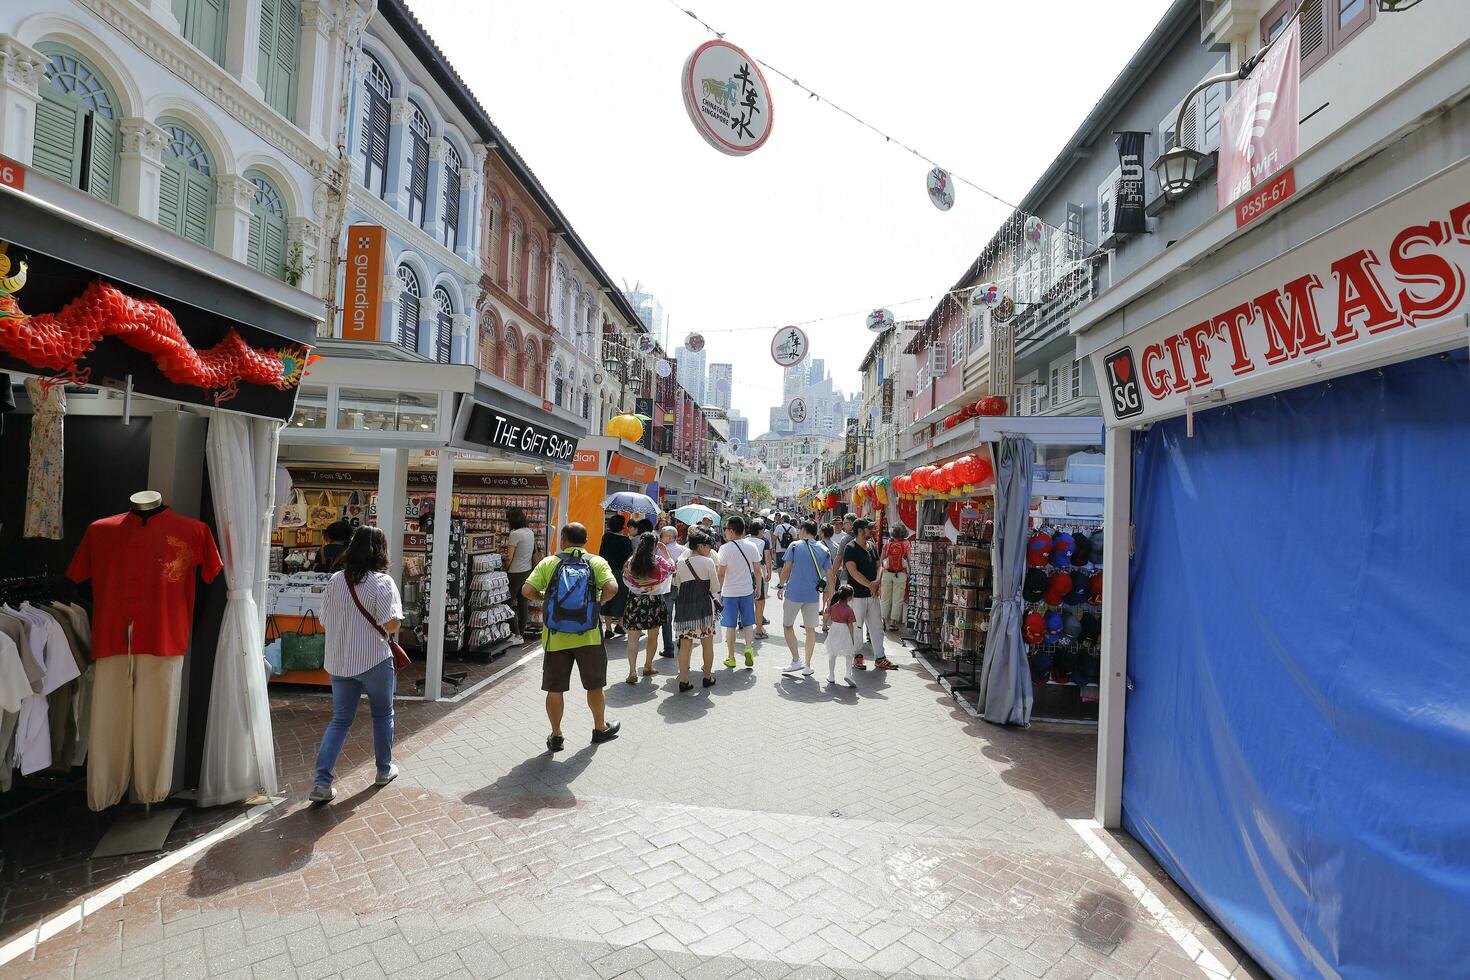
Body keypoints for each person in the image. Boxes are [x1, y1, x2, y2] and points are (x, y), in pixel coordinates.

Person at [310, 526, 403, 803]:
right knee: (383, 715)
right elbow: (391, 623)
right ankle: (383, 770)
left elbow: (324, 621)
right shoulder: (382, 582)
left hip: (339, 661)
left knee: (339, 720)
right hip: (374, 658)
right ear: (381, 551)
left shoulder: (336, 580)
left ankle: (322, 782)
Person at [522, 523, 621, 751]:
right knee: (594, 686)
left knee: (554, 688)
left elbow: (526, 591)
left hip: (555, 636)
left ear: (564, 539)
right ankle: (600, 728)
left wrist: (544, 598)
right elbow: (613, 587)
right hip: (589, 636)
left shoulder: (549, 562)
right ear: (585, 540)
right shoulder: (596, 562)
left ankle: (556, 735)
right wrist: (598, 603)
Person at [776, 520, 830, 676]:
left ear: (804, 529)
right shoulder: (823, 548)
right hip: (813, 595)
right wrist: (831, 595)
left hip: (794, 593)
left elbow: (786, 568)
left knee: (787, 626)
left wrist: (780, 585)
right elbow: (830, 574)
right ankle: (807, 665)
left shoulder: (794, 546)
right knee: (810, 629)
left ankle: (795, 659)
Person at [620, 531, 674, 684]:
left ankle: (632, 671)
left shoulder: (631, 561)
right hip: (654, 600)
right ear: (656, 545)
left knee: (633, 637)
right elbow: (672, 569)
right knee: (653, 635)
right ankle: (648, 666)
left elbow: (625, 575)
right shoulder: (658, 560)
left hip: (635, 600)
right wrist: (666, 553)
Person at [672, 529, 722, 692]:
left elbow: (677, 584)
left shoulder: (681, 562)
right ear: (701, 546)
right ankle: (707, 677)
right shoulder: (707, 562)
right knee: (707, 644)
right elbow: (715, 587)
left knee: (685, 646)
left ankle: (684, 680)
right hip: (703, 610)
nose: (710, 549)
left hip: (684, 609)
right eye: (708, 545)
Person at [843, 518, 894, 671]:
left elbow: (879, 566)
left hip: (872, 595)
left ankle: (880, 657)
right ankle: (857, 657)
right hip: (857, 595)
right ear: (860, 530)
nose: (871, 531)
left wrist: (877, 582)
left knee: (877, 627)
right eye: (868, 528)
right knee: (857, 627)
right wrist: (870, 585)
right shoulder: (850, 548)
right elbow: (853, 571)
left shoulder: (871, 545)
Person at [715, 514, 762, 669]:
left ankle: (731, 657)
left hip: (729, 592)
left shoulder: (725, 548)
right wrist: (759, 588)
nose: (725, 532)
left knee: (731, 626)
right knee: (748, 623)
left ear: (732, 530)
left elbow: (721, 573)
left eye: (726, 529)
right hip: (747, 591)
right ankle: (748, 647)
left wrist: (718, 592)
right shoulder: (752, 546)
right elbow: (757, 570)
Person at [503, 507, 539, 641]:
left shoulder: (514, 534)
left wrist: (505, 567)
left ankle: (516, 633)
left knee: (508, 602)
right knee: (523, 603)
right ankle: (521, 633)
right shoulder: (530, 532)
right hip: (527, 571)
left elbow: (509, 557)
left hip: (515, 573)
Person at [599, 514, 634, 639]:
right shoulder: (626, 541)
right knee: (622, 598)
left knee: (607, 598)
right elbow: (630, 558)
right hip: (621, 573)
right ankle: (620, 624)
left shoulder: (606, 538)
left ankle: (608, 629)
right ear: (622, 526)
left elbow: (601, 554)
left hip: (607, 572)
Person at [656, 527, 686, 657]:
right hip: (681, 586)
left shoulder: (660, 550)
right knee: (681, 616)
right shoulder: (684, 550)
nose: (660, 537)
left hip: (666, 587)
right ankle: (681, 641)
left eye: (662, 535)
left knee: (666, 618)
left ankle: (669, 648)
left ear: (668, 537)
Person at [824, 516, 855, 631]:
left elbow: (839, 557)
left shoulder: (845, 537)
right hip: (834, 570)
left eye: (840, 523)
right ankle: (831, 614)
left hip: (842, 570)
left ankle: (842, 619)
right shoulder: (832, 535)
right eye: (835, 524)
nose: (837, 526)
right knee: (833, 594)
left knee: (842, 596)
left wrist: (833, 572)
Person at [878, 524, 911, 633]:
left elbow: (882, 558)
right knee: (898, 599)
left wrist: (880, 571)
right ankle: (893, 623)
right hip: (901, 574)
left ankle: (883, 620)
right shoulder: (906, 543)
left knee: (885, 598)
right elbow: (910, 559)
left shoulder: (888, 542)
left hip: (887, 573)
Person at [825, 584, 858, 688]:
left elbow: (826, 614)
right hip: (845, 631)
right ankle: (848, 674)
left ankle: (831, 675)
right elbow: (850, 625)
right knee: (849, 653)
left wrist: (824, 625)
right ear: (849, 597)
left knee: (832, 653)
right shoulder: (849, 610)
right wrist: (852, 639)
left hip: (834, 629)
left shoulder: (833, 606)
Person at [746, 519, 773, 639]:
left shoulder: (745, 540)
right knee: (760, 601)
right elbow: (767, 557)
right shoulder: (763, 541)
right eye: (762, 529)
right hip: (758, 572)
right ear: (759, 530)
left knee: (747, 600)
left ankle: (745, 623)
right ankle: (758, 629)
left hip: (745, 572)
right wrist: (769, 571)